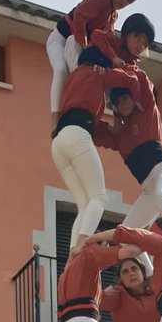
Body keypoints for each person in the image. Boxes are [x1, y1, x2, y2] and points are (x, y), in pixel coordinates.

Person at [52, 61, 149, 251]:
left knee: (84, 203)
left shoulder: (76, 81)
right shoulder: (96, 72)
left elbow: (113, 137)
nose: (119, 104)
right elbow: (131, 79)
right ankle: (81, 246)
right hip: (76, 134)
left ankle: (73, 255)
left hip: (59, 143)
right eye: (117, 101)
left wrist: (115, 113)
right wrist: (117, 65)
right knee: (99, 198)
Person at [47, 0, 142, 125]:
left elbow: (106, 40)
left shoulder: (113, 16)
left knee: (98, 71)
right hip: (61, 40)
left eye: (129, 0)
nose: (124, 1)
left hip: (76, 45)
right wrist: (84, 45)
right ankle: (54, 118)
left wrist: (115, 58)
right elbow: (80, 17)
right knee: (60, 70)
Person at [94, 79, 162, 229]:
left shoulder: (147, 113)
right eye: (118, 102)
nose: (123, 104)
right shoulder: (119, 138)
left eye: (125, 98)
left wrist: (111, 72)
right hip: (148, 190)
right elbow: (91, 131)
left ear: (133, 97)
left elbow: (141, 79)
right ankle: (149, 253)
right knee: (126, 235)